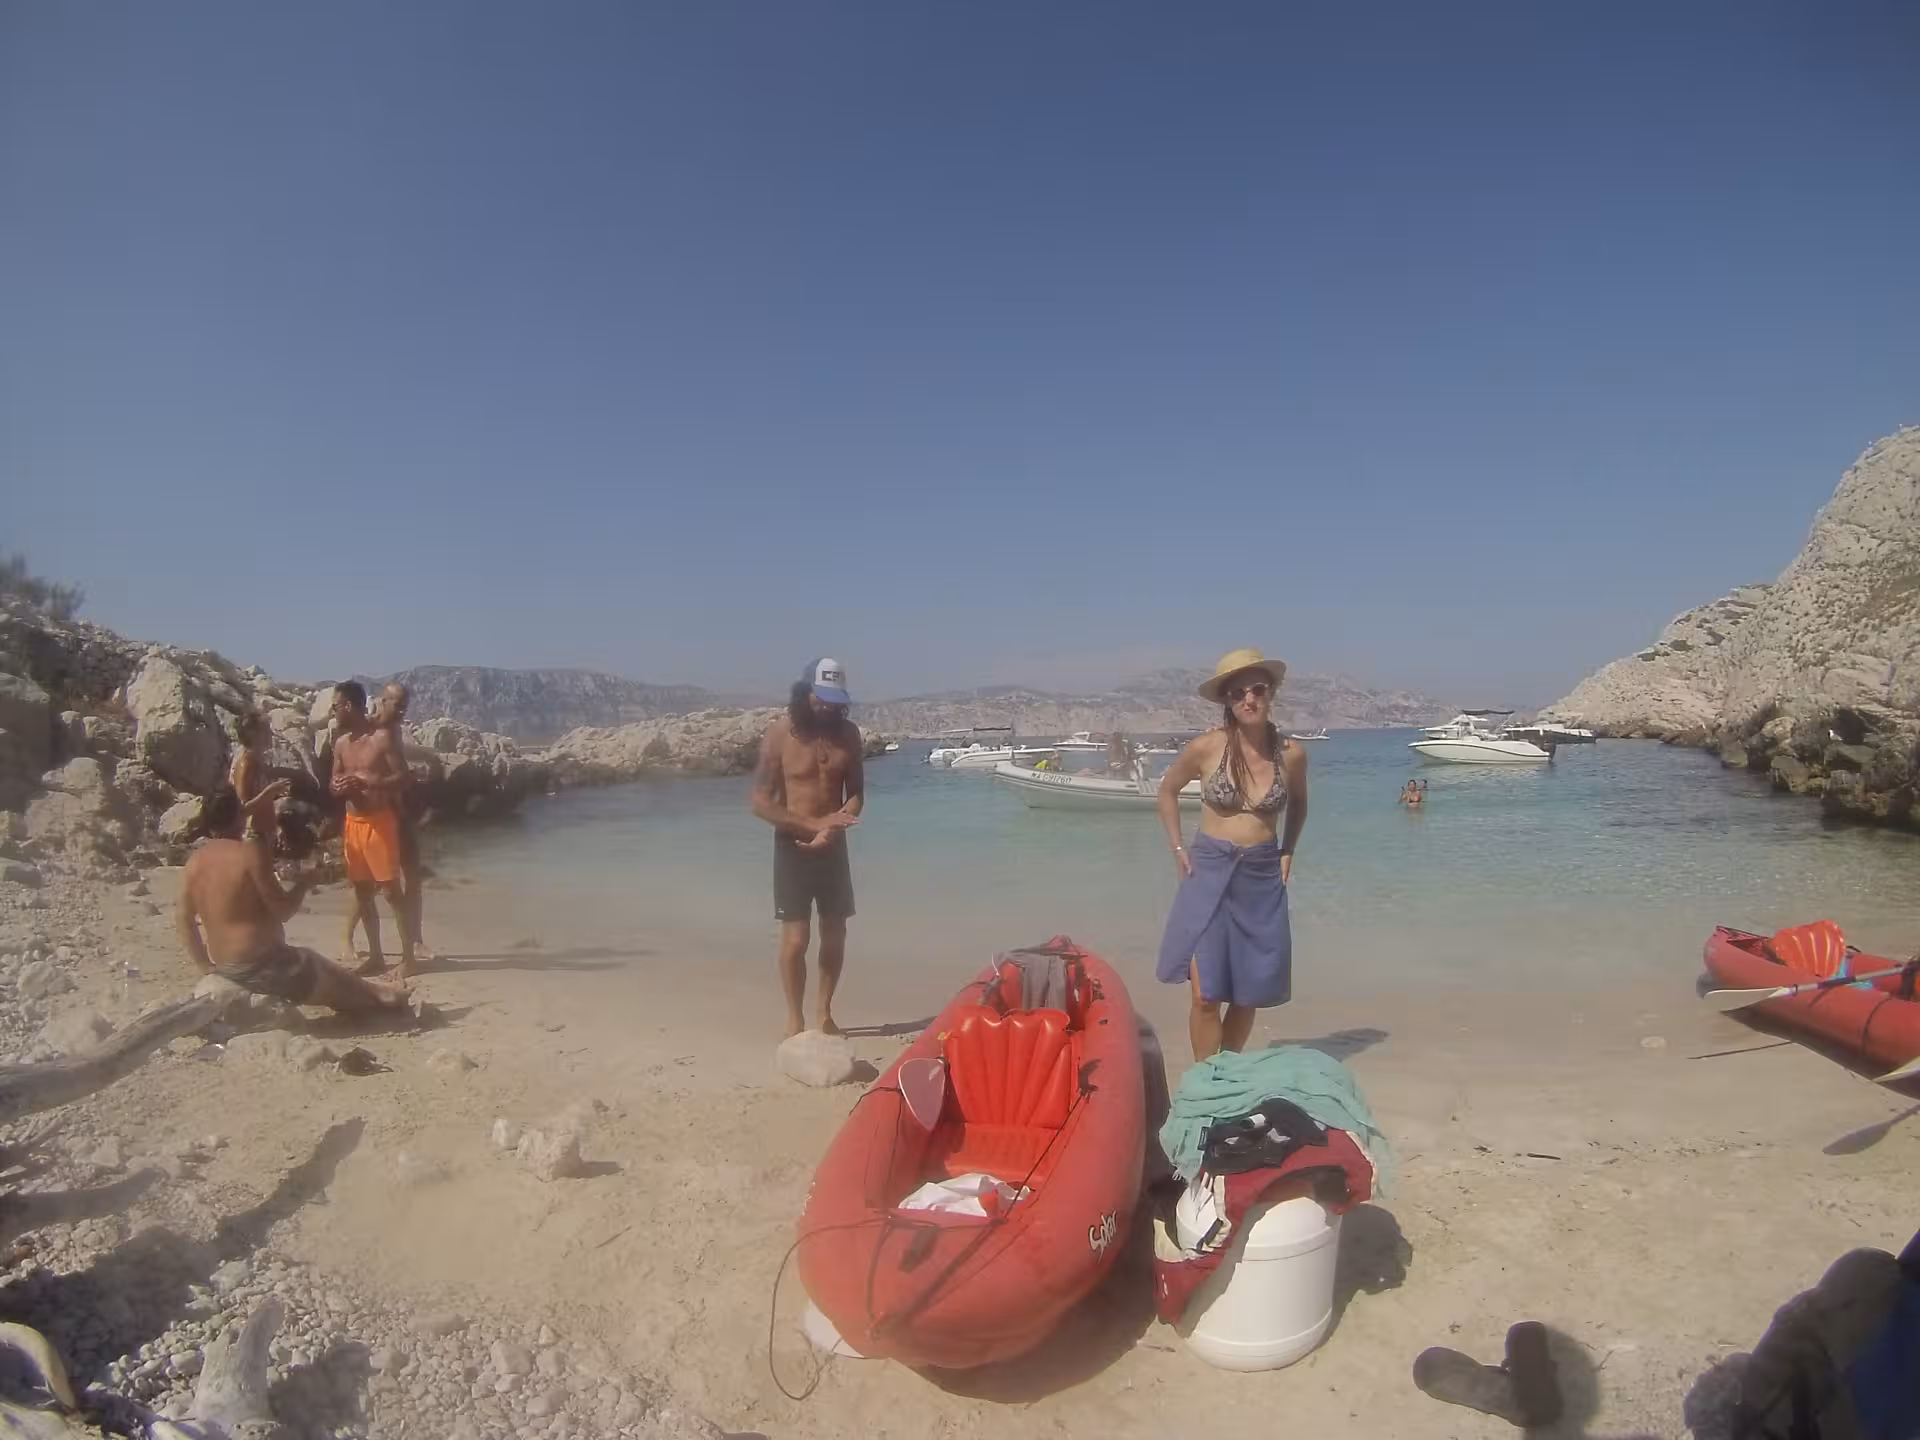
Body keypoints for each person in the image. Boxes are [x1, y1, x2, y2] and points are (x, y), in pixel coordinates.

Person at [1154, 648, 1310, 1061]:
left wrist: (1288, 849)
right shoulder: (1206, 748)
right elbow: (1166, 791)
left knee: (1249, 989)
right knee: (1206, 993)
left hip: (1260, 876)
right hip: (1208, 872)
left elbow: (1299, 804)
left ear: (1271, 692)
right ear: (1226, 700)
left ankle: (1228, 1072)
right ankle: (1206, 1082)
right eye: (1237, 692)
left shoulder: (1291, 755)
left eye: (1257, 689)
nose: (1248, 699)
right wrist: (1177, 848)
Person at [176, 789, 410, 1014]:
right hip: (264, 966)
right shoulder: (248, 855)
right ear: (240, 815)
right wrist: (305, 883)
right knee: (324, 972)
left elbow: (184, 920)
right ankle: (387, 996)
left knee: (318, 965)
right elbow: (283, 911)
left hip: (226, 967)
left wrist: (206, 967)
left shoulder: (194, 862)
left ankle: (380, 991)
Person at [750, 658, 865, 1038]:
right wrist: (813, 826)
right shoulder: (779, 734)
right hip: (792, 845)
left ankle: (825, 1013)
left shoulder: (848, 734)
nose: (827, 707)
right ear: (805, 692)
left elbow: (857, 794)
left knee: (835, 933)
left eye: (834, 701)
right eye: (821, 699)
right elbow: (760, 803)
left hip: (833, 847)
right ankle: (795, 1018)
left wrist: (833, 829)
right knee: (796, 939)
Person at [345, 683, 443, 965]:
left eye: (404, 706)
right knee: (369, 884)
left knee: (412, 877)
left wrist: (427, 757)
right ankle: (347, 937)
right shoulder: (365, 730)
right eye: (396, 704)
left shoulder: (395, 731)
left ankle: (416, 939)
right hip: (376, 816)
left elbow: (398, 753)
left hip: (400, 814)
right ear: (380, 700)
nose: (401, 710)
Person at [327, 681, 416, 982]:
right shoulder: (341, 743)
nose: (333, 711)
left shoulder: (382, 739)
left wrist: (369, 783)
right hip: (353, 824)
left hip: (380, 822)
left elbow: (404, 777)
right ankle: (376, 955)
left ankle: (408, 958)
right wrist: (338, 787)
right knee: (363, 893)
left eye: (336, 706)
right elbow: (333, 780)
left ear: (349, 707)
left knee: (391, 892)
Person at [228, 712, 291, 840]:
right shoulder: (246, 763)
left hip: (263, 835)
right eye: (266, 730)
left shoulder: (257, 760)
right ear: (254, 734)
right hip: (253, 836)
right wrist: (270, 792)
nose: (271, 734)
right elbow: (242, 810)